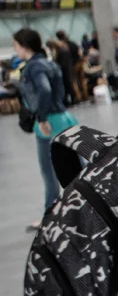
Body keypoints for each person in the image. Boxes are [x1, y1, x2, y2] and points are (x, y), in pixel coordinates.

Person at [13, 28, 77, 230]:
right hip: (64, 118)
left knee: (49, 171)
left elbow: (44, 89)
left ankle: (50, 215)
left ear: (25, 46)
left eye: (16, 45)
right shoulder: (50, 63)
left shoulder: (34, 67)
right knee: (75, 166)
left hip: (49, 123)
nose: (15, 49)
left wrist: (41, 118)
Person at [56, 30, 86, 103]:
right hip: (80, 62)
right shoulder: (73, 43)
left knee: (73, 81)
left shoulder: (64, 46)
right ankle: (85, 96)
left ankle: (78, 97)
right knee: (82, 80)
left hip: (73, 65)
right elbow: (80, 53)